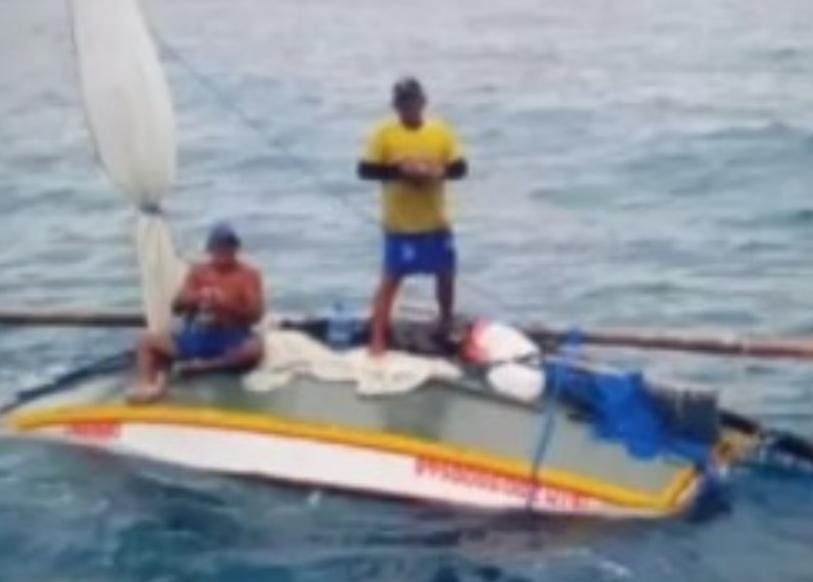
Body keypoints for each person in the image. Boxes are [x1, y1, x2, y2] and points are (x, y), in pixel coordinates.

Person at [358, 77, 468, 355]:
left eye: (413, 101)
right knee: (391, 278)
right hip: (400, 224)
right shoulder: (384, 134)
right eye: (403, 103)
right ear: (396, 106)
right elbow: (365, 170)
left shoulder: (440, 132)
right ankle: (378, 337)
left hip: (435, 221)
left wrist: (437, 171)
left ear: (423, 102)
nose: (409, 107)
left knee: (445, 273)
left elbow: (460, 168)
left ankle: (445, 323)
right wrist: (400, 171)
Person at [129, 222, 265, 403]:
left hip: (230, 337)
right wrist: (197, 298)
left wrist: (227, 303)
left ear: (236, 249)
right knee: (146, 340)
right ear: (210, 249)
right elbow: (177, 306)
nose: (225, 251)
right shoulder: (198, 272)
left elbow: (256, 315)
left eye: (229, 246)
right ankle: (147, 385)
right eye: (220, 246)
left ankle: (207, 366)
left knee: (255, 349)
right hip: (197, 336)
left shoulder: (249, 275)